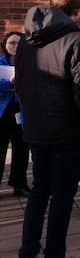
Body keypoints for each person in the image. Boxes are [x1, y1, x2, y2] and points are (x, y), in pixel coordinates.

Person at [15, 0, 80, 258]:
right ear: (78, 11)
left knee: (40, 189)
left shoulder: (27, 40)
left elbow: (22, 83)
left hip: (37, 128)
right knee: (62, 195)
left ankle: (28, 254)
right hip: (67, 132)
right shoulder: (77, 40)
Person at [0, 31, 31, 196]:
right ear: (5, 44)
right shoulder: (0, 62)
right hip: (3, 111)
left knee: (21, 148)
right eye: (12, 43)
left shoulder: (28, 63)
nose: (15, 46)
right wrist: (8, 82)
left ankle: (19, 184)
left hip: (21, 110)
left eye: (19, 43)